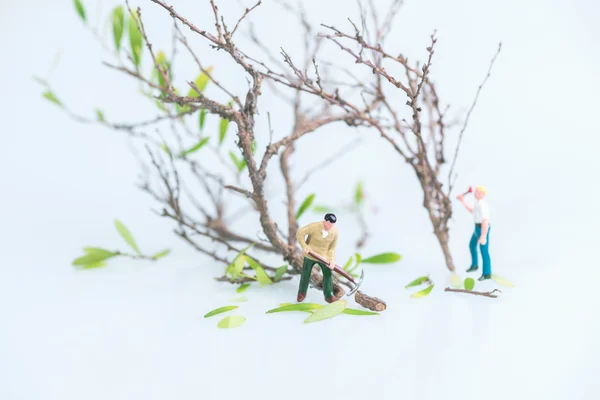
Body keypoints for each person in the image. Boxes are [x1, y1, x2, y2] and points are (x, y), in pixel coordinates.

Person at [295, 213, 339, 303]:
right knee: (305, 274)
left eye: (332, 225)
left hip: (324, 258)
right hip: (310, 255)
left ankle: (329, 295)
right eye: (328, 224)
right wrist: (304, 246)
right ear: (324, 221)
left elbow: (332, 248)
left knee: (328, 275)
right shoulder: (314, 226)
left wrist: (331, 260)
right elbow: (300, 233)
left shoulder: (335, 232)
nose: (329, 227)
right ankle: (301, 292)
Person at [457, 186, 492, 281]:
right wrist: (462, 201)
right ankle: (475, 265)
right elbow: (472, 211)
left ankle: (487, 273)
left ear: (483, 194)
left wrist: (484, 235)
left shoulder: (483, 204)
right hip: (477, 228)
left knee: (484, 250)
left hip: (482, 229)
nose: (476, 193)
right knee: (472, 245)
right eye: (476, 192)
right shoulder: (477, 204)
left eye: (478, 192)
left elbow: (485, 220)